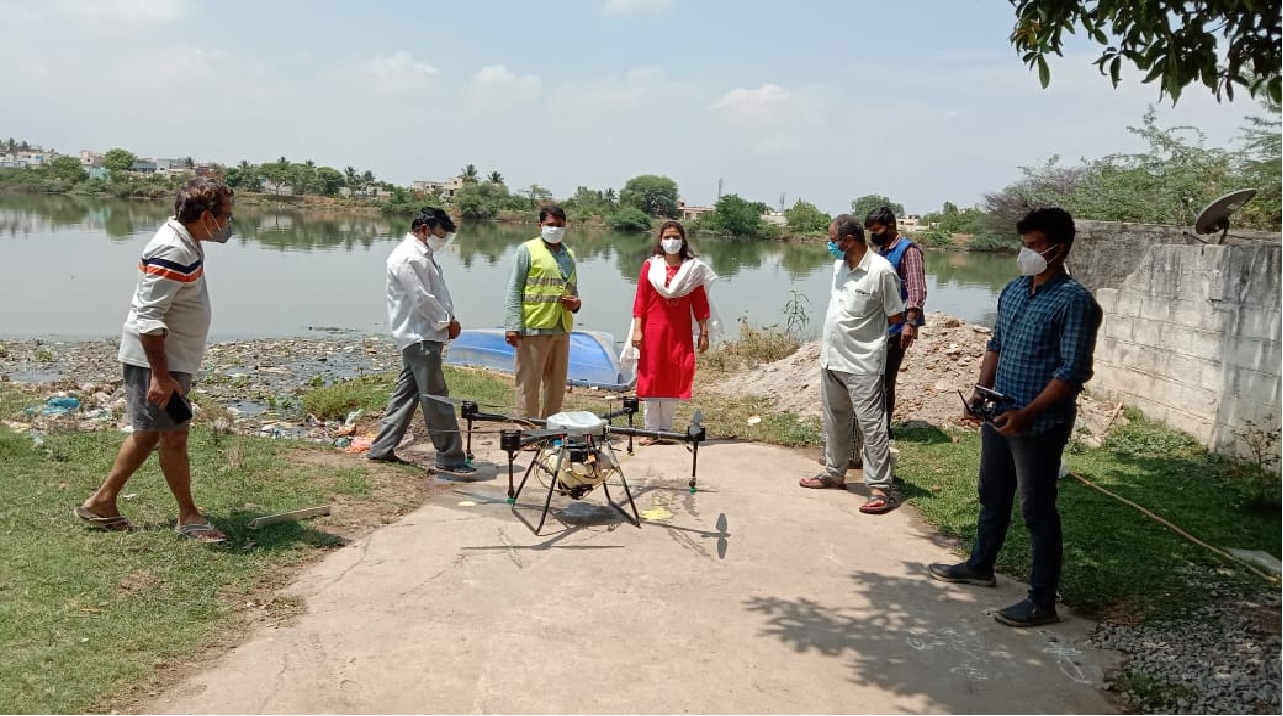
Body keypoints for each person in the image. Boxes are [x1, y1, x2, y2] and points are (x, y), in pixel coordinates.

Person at [928, 207, 1102, 627]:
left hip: (1038, 425)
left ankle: (1042, 602)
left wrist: (1027, 415)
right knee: (992, 493)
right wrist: (979, 394)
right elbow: (996, 344)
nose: (1026, 254)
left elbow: (1071, 372)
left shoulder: (1075, 302)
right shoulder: (1014, 290)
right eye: (1023, 246)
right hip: (999, 414)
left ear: (1059, 248)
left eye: (1035, 247)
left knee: (1037, 508)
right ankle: (980, 565)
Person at [75, 177, 235, 543]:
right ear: (207, 216)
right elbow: (148, 319)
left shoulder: (186, 242)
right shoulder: (171, 250)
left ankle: (102, 501)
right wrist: (161, 377)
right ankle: (189, 517)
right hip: (158, 361)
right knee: (175, 434)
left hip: (169, 358)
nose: (229, 222)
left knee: (149, 433)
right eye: (225, 215)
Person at [798, 215, 905, 515]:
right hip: (832, 358)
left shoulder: (882, 272)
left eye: (833, 239)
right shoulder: (838, 267)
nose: (829, 245)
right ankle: (834, 473)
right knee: (835, 419)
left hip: (863, 363)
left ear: (849, 240)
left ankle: (880, 488)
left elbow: (895, 316)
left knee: (872, 426)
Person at [367, 207, 475, 475]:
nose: (444, 238)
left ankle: (381, 447)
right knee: (436, 398)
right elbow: (422, 298)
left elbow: (433, 293)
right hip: (420, 335)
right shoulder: (408, 257)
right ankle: (450, 456)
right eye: (441, 232)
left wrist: (448, 318)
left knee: (406, 394)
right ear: (425, 229)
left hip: (423, 335)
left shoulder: (421, 255)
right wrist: (446, 322)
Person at [628, 220, 714, 443]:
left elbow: (700, 304)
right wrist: (637, 329)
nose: (671, 241)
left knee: (674, 376)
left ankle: (665, 430)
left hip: (679, 332)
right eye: (667, 237)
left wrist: (704, 334)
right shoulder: (650, 266)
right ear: (660, 240)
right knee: (651, 376)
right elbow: (640, 300)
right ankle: (650, 430)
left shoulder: (692, 270)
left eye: (676, 237)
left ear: (683, 240)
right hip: (653, 331)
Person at [504, 205, 581, 421]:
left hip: (561, 326)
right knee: (529, 382)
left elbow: (574, 289)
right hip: (533, 325)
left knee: (556, 384)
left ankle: (551, 426)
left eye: (559, 225)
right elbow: (514, 289)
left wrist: (575, 304)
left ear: (565, 226)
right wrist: (512, 326)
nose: (554, 229)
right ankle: (527, 429)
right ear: (540, 226)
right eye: (550, 225)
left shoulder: (569, 254)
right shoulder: (526, 250)